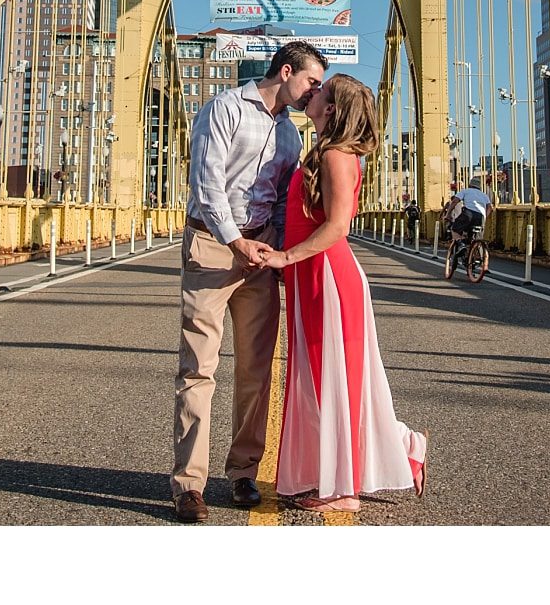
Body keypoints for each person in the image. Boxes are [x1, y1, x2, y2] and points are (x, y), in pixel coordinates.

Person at [171, 41, 325, 522]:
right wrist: (236, 240)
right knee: (198, 368)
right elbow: (206, 181)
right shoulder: (224, 108)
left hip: (259, 252)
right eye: (311, 82)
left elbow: (281, 199)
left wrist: (273, 249)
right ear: (285, 72)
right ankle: (189, 485)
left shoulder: (291, 137)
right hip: (213, 248)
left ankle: (242, 472)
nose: (314, 92)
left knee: (256, 372)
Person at [262, 74, 427, 511]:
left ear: (331, 108)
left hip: (329, 278)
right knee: (325, 380)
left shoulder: (336, 154)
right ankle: (402, 444)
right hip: (311, 276)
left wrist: (284, 258)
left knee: (336, 380)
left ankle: (344, 490)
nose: (311, 93)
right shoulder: (321, 152)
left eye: (321, 91)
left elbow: (338, 226)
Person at [444, 177, 494, 250]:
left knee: (455, 229)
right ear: (479, 187)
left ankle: (461, 245)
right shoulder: (484, 195)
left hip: (468, 214)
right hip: (480, 217)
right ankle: (477, 255)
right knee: (477, 239)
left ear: (470, 185)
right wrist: (484, 217)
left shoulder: (465, 191)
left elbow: (455, 201)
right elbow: (490, 208)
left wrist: (447, 214)